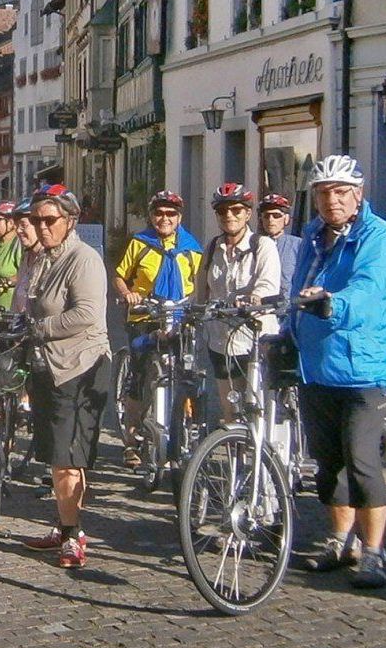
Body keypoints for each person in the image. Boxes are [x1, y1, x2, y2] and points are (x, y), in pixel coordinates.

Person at [289, 155, 386, 590]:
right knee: (328, 464)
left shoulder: (379, 237)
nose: (331, 200)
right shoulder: (314, 236)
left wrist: (331, 302)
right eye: (323, 193)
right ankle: (340, 541)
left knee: (361, 462)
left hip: (364, 368)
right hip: (318, 365)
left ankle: (375, 552)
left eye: (340, 192)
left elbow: (371, 291)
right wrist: (287, 327)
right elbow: (298, 284)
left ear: (358, 195)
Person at [15, 187, 111, 568]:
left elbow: (86, 314)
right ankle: (63, 523)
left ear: (70, 221)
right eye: (37, 220)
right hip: (48, 365)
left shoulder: (83, 259)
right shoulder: (42, 258)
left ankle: (74, 535)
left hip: (80, 366)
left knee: (71, 456)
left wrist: (39, 328)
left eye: (49, 220)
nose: (41, 226)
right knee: (56, 456)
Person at [113, 190, 203, 467]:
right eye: (159, 213)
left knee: (188, 372)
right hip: (145, 316)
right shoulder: (140, 243)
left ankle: (189, 428)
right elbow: (119, 275)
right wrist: (128, 293)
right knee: (140, 377)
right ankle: (131, 439)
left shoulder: (192, 249)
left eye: (171, 214)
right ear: (152, 216)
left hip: (178, 318)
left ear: (179, 218)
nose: (165, 218)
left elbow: (201, 283)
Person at [191, 184, 282, 409]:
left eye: (236, 210)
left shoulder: (263, 245)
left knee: (258, 407)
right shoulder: (212, 247)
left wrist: (254, 298)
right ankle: (234, 445)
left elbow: (267, 285)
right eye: (222, 211)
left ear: (248, 213)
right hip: (221, 340)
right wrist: (192, 311)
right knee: (230, 406)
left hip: (255, 339)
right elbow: (201, 289)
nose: (229, 215)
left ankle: (263, 442)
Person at [258, 193, 302, 297]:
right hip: (260, 308)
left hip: (289, 308)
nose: (271, 220)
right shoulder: (253, 245)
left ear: (286, 219)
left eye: (276, 215)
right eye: (266, 216)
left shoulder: (299, 245)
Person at [0, 203, 24, 310]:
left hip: (11, 310)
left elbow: (28, 274)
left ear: (11, 223)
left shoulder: (18, 243)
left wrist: (8, 281)